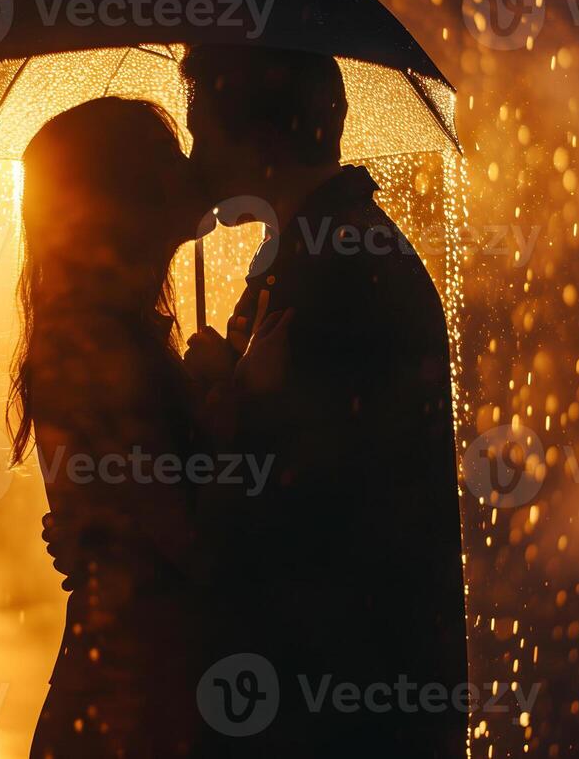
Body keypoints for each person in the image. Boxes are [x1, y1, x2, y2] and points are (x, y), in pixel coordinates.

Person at [181, 44, 470, 757]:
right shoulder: (318, 250)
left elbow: (311, 496)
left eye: (201, 132)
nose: (193, 159)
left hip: (333, 704)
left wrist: (226, 413)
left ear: (261, 137)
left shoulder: (335, 267)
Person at [13, 96, 287, 758]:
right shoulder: (93, 343)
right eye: (168, 160)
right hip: (136, 700)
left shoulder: (118, 335)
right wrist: (236, 419)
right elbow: (182, 539)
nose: (189, 169)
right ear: (123, 194)